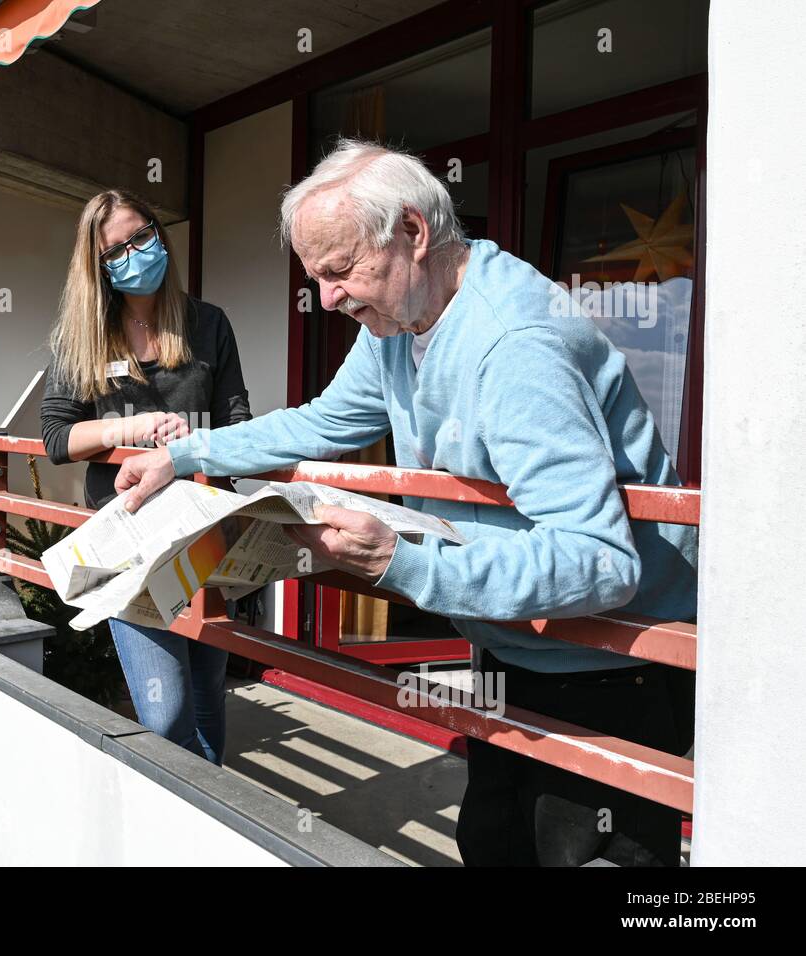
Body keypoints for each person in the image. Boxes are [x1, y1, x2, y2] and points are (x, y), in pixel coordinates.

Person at [113, 139, 698, 866]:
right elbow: (328, 421)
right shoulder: (404, 318)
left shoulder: (514, 346)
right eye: (315, 276)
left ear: (414, 234)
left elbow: (600, 561)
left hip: (607, 667)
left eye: (338, 270)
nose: (326, 298)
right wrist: (185, 453)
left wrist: (401, 561)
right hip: (515, 644)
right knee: (490, 841)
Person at [40, 188, 252, 766]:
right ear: (98, 266)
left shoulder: (209, 324)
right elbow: (57, 438)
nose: (135, 252)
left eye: (141, 236)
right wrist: (125, 430)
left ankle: (211, 823)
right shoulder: (81, 337)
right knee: (164, 715)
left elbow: (240, 424)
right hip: (128, 542)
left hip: (204, 533)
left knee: (209, 696)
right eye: (116, 250)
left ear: (159, 232)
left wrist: (197, 445)